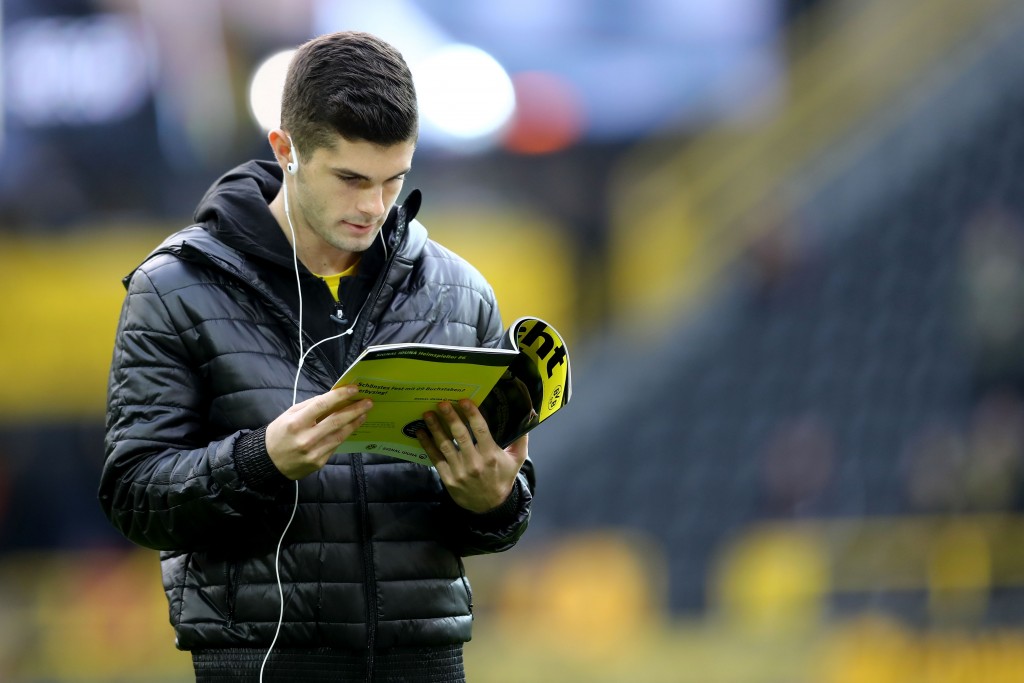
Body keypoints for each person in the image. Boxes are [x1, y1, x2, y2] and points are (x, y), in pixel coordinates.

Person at [98, 31, 534, 682]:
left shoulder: (461, 292)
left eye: (394, 179)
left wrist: (493, 500)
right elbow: (134, 495)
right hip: (257, 663)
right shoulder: (174, 288)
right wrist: (259, 461)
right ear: (285, 150)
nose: (373, 206)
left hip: (427, 662)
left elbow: (495, 520)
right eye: (350, 178)